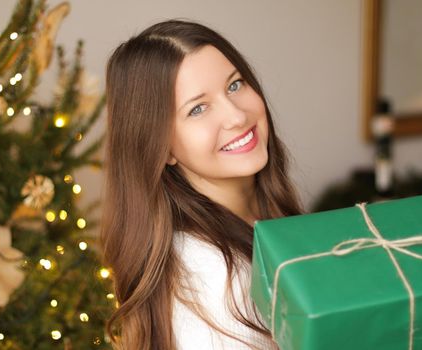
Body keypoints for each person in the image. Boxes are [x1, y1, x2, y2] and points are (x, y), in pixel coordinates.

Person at [101, 19, 303, 350]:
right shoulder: (216, 276)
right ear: (162, 147)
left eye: (235, 85)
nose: (236, 116)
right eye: (197, 109)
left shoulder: (258, 224)